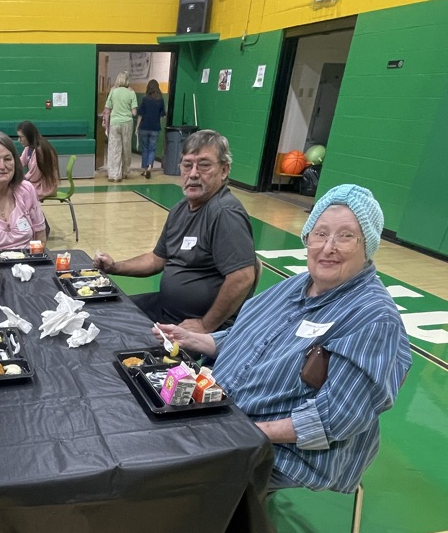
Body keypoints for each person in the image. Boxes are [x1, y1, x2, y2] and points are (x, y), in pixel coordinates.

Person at [156, 184, 412, 494]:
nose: (328, 247)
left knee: (164, 473)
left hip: (291, 452)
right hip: (226, 412)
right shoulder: (295, 286)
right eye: (320, 233)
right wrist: (197, 340)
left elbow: (337, 419)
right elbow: (249, 340)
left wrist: (246, 431)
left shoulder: (374, 319)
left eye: (345, 236)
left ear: (367, 245)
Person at [94, 129, 256, 330]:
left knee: (110, 337)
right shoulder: (181, 208)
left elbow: (242, 277)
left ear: (224, 170)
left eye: (204, 165)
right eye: (187, 165)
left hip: (194, 324)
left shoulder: (224, 213)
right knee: (98, 314)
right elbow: (156, 259)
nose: (194, 173)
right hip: (165, 309)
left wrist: (206, 325)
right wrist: (114, 267)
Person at [102, 72, 138, 182]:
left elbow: (107, 111)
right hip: (127, 122)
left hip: (114, 122)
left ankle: (114, 175)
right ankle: (125, 171)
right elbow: (134, 112)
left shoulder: (113, 92)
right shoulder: (131, 93)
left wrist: (106, 125)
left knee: (114, 149)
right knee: (126, 148)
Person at [17, 121, 59, 199]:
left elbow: (34, 177)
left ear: (28, 136)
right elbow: (19, 163)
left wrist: (20, 179)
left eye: (21, 137)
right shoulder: (28, 148)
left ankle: (29, 211)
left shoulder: (40, 150)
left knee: (18, 190)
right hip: (37, 183)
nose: (19, 140)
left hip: (46, 186)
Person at [135, 79, 165, 179]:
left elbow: (140, 114)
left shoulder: (145, 99)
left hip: (144, 127)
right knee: (152, 149)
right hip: (155, 128)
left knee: (145, 149)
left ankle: (144, 170)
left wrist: (137, 126)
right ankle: (149, 168)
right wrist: (158, 124)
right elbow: (162, 116)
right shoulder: (160, 99)